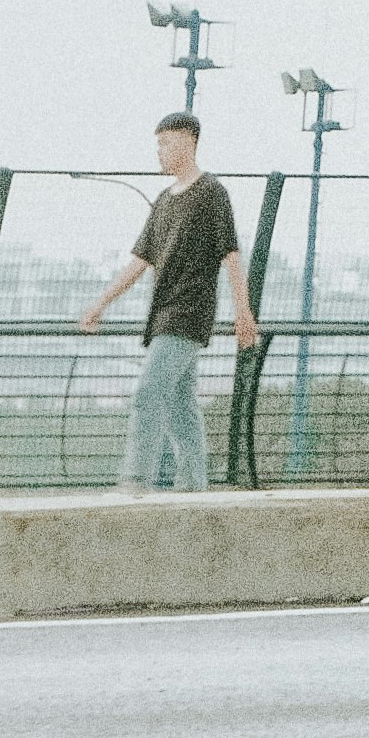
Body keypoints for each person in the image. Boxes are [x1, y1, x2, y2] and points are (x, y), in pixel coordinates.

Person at [79, 112, 259, 491]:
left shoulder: (211, 192)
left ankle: (134, 480)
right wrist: (101, 302)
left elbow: (231, 254)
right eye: (157, 144)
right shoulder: (162, 201)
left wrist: (243, 312)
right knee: (180, 406)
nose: (159, 151)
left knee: (148, 396)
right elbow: (140, 261)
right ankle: (195, 485)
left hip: (189, 313)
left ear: (188, 140)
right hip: (161, 314)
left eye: (166, 142)